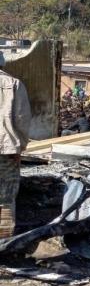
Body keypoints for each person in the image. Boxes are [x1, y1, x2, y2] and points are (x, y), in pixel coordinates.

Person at [0, 51, 31, 239]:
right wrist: (20, 147)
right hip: (6, 149)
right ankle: (3, 243)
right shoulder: (14, 84)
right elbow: (22, 120)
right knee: (5, 197)